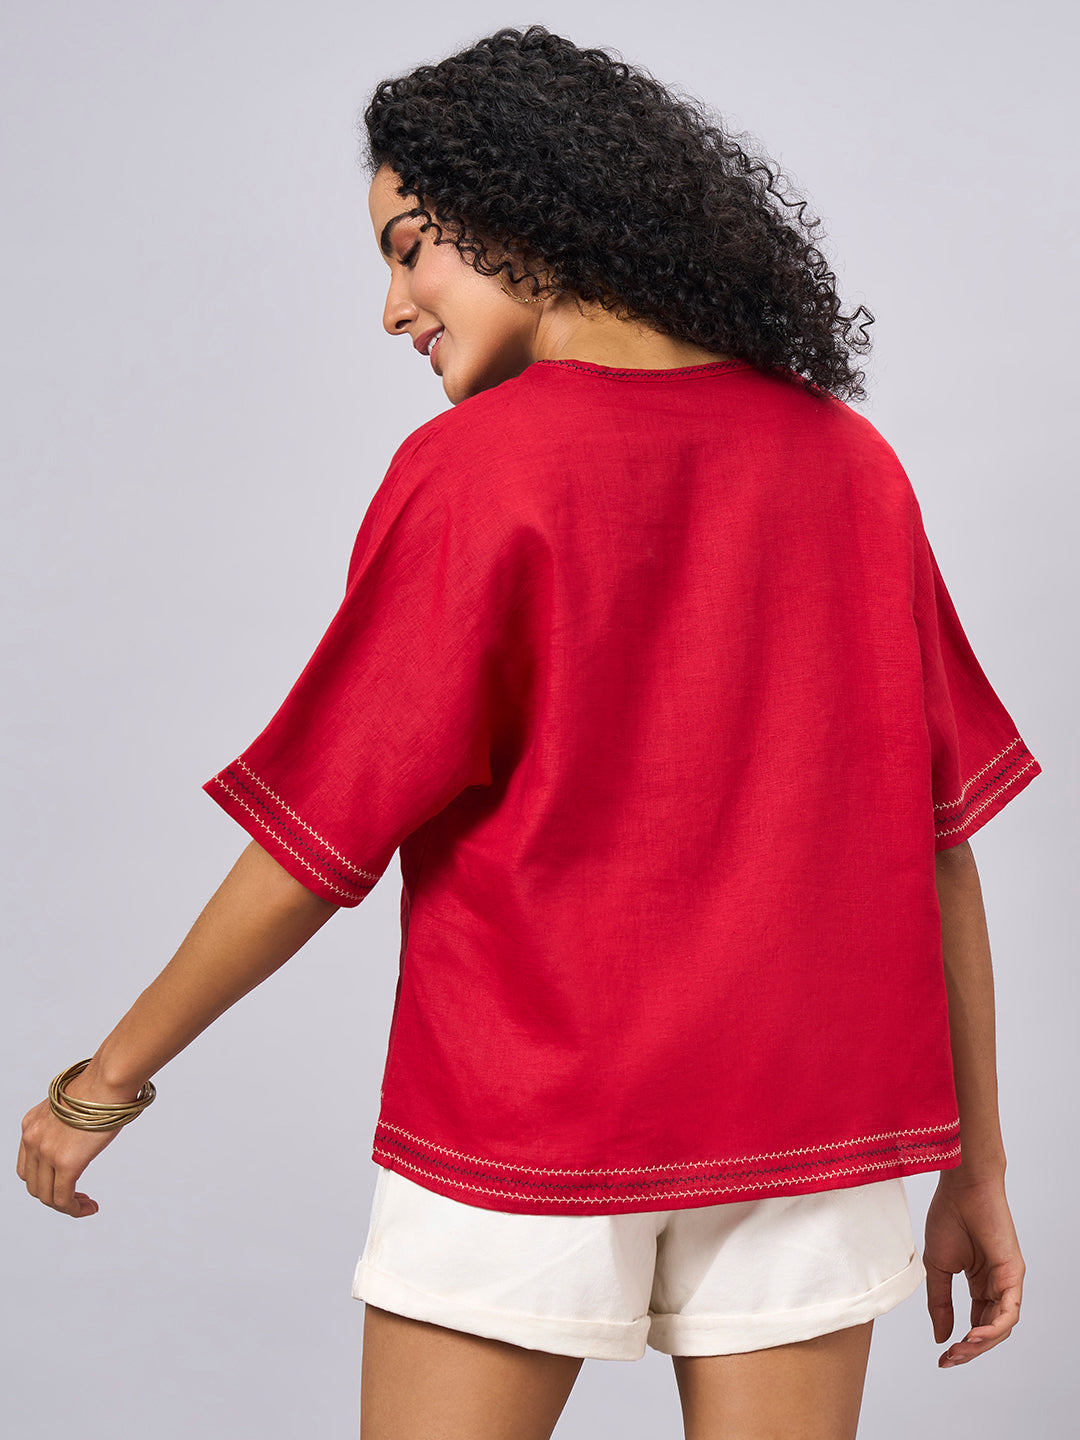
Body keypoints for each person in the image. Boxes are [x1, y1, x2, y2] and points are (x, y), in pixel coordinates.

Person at [17, 25, 1041, 1440]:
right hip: (813, 1131)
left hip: (522, 1117)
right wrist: (976, 1169)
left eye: (409, 250)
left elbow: (320, 838)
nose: (392, 308)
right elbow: (939, 851)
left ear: (522, 209)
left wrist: (104, 1082)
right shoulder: (852, 466)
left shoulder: (475, 474)